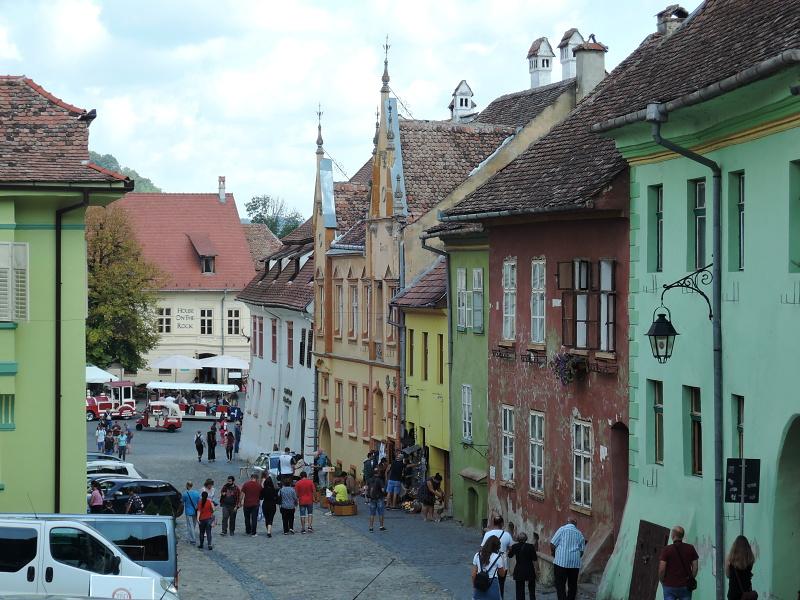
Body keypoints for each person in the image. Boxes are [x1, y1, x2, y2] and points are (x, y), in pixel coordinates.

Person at [658, 525, 699, 600]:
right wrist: (691, 578)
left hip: (669, 585)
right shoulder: (690, 548)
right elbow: (695, 567)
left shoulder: (666, 550)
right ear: (682, 536)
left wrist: (662, 580)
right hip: (685, 586)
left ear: (673, 535)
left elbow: (662, 569)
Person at [551, 518, 586, 600]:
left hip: (560, 562)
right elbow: (581, 551)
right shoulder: (580, 533)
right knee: (572, 585)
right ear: (575, 524)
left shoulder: (562, 529)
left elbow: (552, 543)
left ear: (567, 522)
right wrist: (575, 557)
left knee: (560, 585)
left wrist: (553, 553)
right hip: (574, 564)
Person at [483, 515, 515, 599]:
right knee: (501, 583)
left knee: (488, 579)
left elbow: (482, 548)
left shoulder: (488, 534)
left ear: (493, 523)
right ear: (502, 523)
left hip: (489, 560)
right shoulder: (507, 535)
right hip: (502, 560)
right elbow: (511, 548)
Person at [472, 535, 506, 600]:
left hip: (480, 583)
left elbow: (473, 574)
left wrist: (474, 586)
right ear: (497, 546)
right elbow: (502, 574)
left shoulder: (477, 555)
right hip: (492, 584)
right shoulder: (498, 557)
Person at [508, 532, 538, 600]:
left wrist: (510, 549)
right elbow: (535, 560)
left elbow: (510, 556)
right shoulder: (531, 546)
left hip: (519, 570)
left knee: (519, 590)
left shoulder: (515, 546)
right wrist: (537, 570)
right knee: (532, 590)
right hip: (530, 570)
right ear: (526, 539)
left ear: (518, 539)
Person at [726, 535, 755, 600]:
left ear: (735, 546)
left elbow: (728, 575)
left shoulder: (729, 559)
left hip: (733, 594)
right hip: (746, 594)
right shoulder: (750, 560)